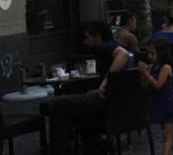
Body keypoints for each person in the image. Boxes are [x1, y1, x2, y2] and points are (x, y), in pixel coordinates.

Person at [47, 22, 135, 155]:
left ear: (97, 36)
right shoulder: (109, 47)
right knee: (73, 106)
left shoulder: (106, 46)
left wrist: (106, 81)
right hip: (118, 106)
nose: (85, 42)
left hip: (105, 102)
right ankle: (91, 143)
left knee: (56, 104)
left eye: (87, 38)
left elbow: (122, 55)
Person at [138, 38, 173, 155]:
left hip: (168, 104)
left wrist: (147, 75)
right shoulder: (152, 67)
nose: (150, 56)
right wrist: (144, 75)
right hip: (158, 103)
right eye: (149, 53)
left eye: (153, 53)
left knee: (166, 135)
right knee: (169, 134)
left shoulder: (166, 68)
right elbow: (148, 85)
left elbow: (158, 85)